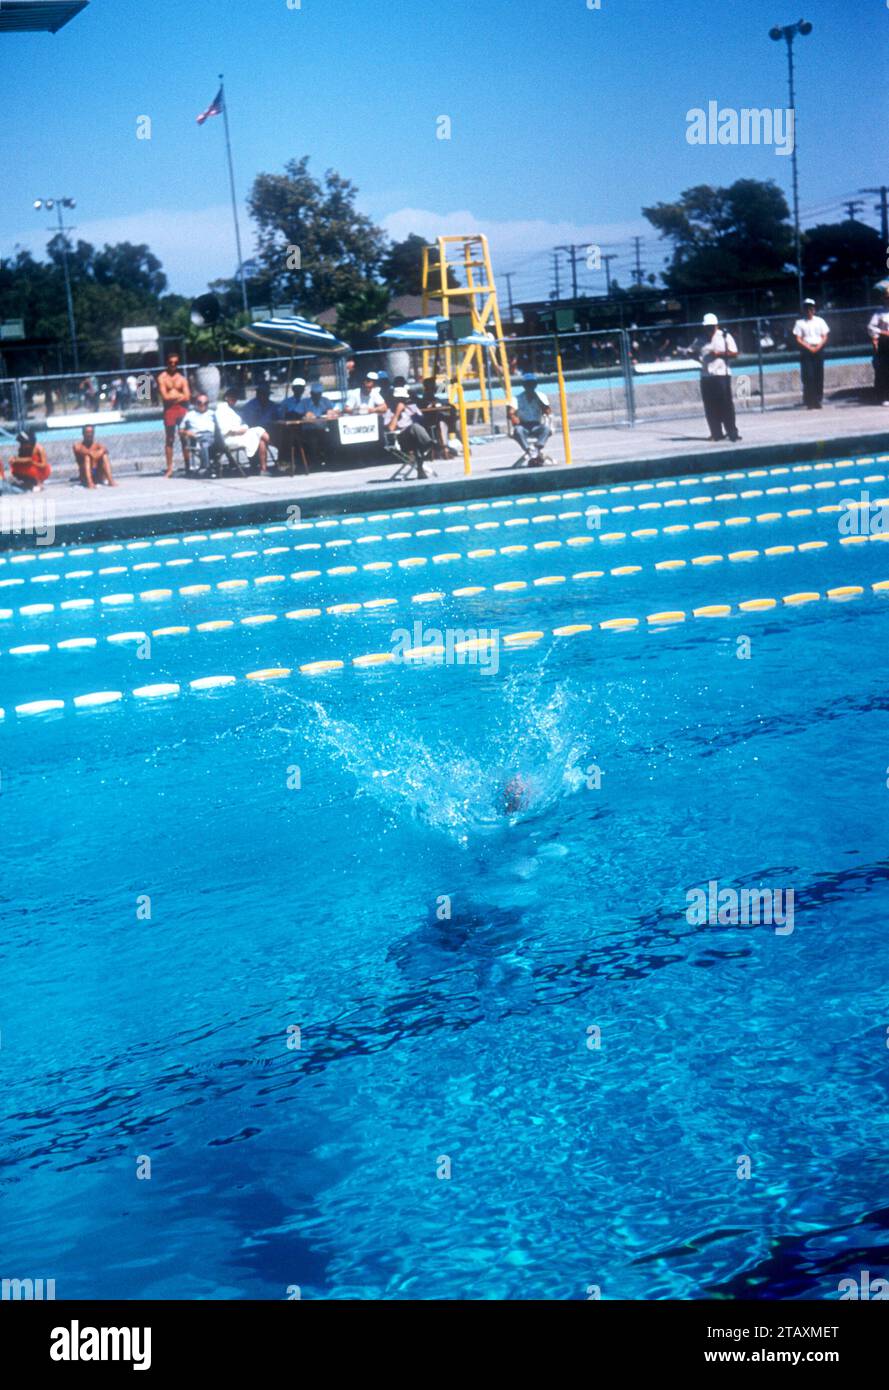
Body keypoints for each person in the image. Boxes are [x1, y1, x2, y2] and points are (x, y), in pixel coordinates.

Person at [696, 314, 741, 442]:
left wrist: (719, 354)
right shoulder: (700, 339)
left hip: (721, 374)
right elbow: (692, 351)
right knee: (710, 406)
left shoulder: (724, 336)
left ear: (716, 326)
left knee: (726, 404)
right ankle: (716, 433)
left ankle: (732, 432)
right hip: (706, 375)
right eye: (707, 327)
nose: (709, 330)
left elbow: (734, 353)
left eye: (711, 327)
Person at [215, 388, 271, 473]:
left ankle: (263, 469)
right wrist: (240, 431)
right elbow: (225, 430)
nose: (235, 400)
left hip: (239, 434)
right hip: (230, 438)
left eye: (235, 398)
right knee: (259, 433)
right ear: (226, 397)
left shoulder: (231, 409)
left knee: (261, 437)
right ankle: (274, 448)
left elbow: (241, 423)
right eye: (232, 398)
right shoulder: (221, 410)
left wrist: (243, 428)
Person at [386, 387, 433, 478]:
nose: (401, 402)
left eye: (403, 399)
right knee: (414, 427)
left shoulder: (411, 407)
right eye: (399, 399)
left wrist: (412, 412)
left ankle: (420, 469)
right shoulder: (390, 411)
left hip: (415, 438)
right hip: (402, 439)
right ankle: (429, 443)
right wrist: (397, 412)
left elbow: (423, 422)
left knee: (416, 428)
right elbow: (390, 429)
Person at [157, 352, 191, 477]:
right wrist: (180, 396)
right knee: (169, 439)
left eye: (175, 363)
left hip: (181, 410)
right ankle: (169, 468)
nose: (173, 365)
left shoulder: (182, 378)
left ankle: (188, 466)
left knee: (184, 438)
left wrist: (175, 397)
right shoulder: (162, 377)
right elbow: (165, 397)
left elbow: (188, 396)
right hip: (169, 410)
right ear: (167, 363)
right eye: (171, 362)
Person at [508, 372, 552, 466]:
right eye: (527, 384)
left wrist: (542, 404)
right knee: (518, 430)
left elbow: (548, 411)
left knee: (546, 429)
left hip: (536, 425)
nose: (530, 386)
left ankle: (536, 449)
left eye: (532, 384)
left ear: (535, 385)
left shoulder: (541, 396)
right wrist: (513, 416)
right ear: (524, 386)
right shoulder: (517, 398)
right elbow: (511, 412)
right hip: (523, 425)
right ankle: (529, 450)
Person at [793, 298, 829, 409]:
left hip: (818, 349)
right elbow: (798, 338)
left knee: (819, 375)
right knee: (808, 376)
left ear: (814, 309)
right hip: (806, 350)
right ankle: (810, 400)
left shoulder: (820, 321)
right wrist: (808, 347)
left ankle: (818, 399)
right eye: (807, 308)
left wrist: (818, 346)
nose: (809, 310)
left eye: (811, 308)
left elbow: (825, 336)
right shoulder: (799, 323)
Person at [178, 394, 217, 475]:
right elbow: (180, 430)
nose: (202, 405)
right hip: (198, 437)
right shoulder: (190, 415)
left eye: (205, 403)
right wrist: (187, 432)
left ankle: (232, 464)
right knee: (205, 442)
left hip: (214, 436)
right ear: (196, 403)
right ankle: (207, 467)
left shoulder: (212, 413)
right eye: (200, 403)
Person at [419, 377, 458, 458]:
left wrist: (452, 380)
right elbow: (426, 406)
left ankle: (463, 446)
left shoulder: (438, 391)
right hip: (434, 419)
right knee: (441, 423)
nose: (432, 386)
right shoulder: (427, 395)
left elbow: (445, 383)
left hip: (445, 416)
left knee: (454, 421)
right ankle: (445, 449)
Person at [867, 285, 889, 406]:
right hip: (885, 342)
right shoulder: (879, 313)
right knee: (885, 369)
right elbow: (870, 327)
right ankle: (885, 396)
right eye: (887, 298)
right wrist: (882, 332)